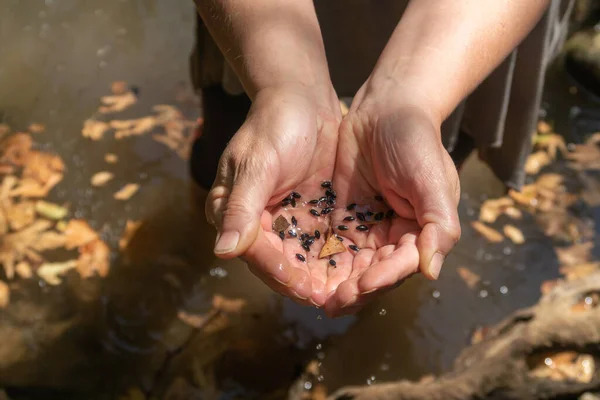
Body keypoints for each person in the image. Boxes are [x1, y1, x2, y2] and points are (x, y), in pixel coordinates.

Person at [189, 0, 574, 317]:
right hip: (257, 22)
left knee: (414, 192)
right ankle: (194, 240)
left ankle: (370, 314)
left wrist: (413, 101)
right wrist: (283, 85)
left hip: (473, 27)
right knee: (232, 168)